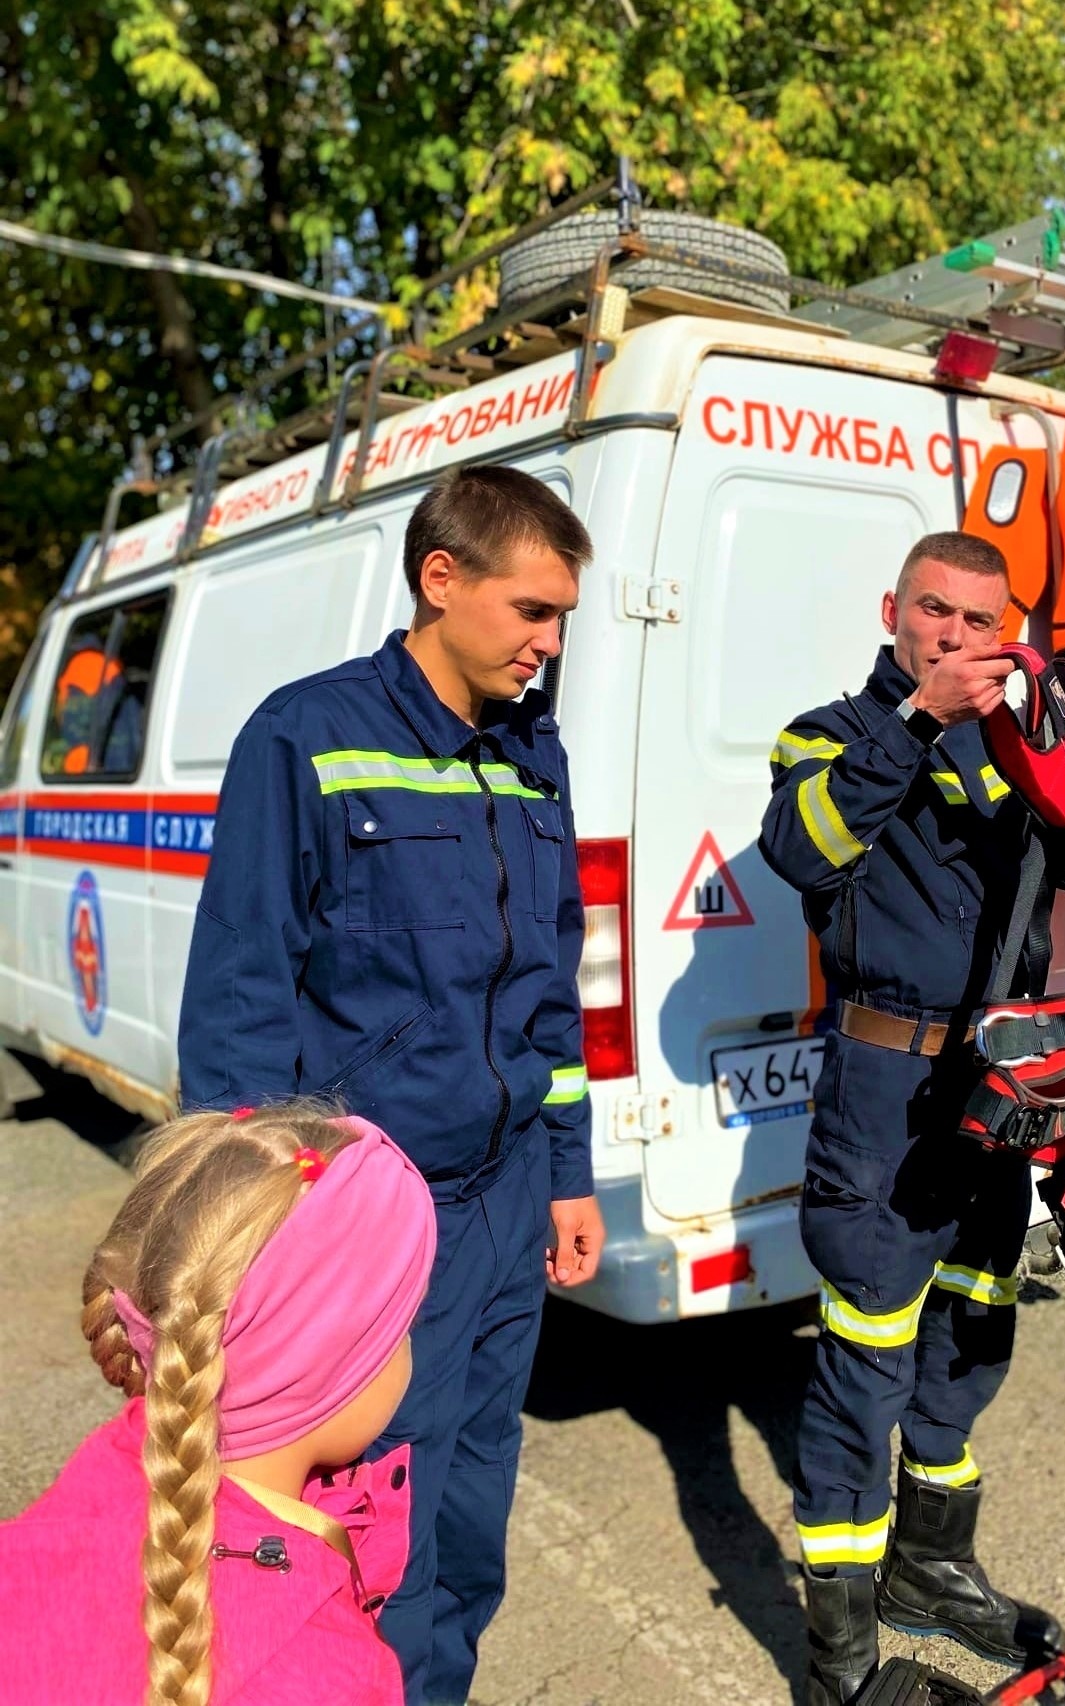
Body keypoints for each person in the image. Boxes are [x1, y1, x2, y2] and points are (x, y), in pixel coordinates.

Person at [176, 465, 605, 1705]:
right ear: (441, 579)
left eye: (562, 615)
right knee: (372, 1525)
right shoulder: (304, 735)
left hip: (507, 1193)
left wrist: (566, 1178)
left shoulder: (533, 754)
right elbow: (243, 1004)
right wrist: (263, 1228)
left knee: (471, 1503)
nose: (550, 641)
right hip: (370, 1212)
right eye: (532, 609)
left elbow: (548, 991)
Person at [760, 532, 1065, 1706]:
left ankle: (930, 1567)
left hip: (1004, 1090)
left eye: (979, 622)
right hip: (885, 1098)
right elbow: (805, 848)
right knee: (864, 1366)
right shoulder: (832, 731)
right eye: (934, 612)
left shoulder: (1022, 742)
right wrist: (919, 720)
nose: (955, 637)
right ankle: (838, 1657)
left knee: (970, 1333)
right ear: (894, 609)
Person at [0, 1101, 436, 1706]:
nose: (409, 1344)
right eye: (400, 1324)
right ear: (330, 1368)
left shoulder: (92, 1488)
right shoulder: (333, 1674)